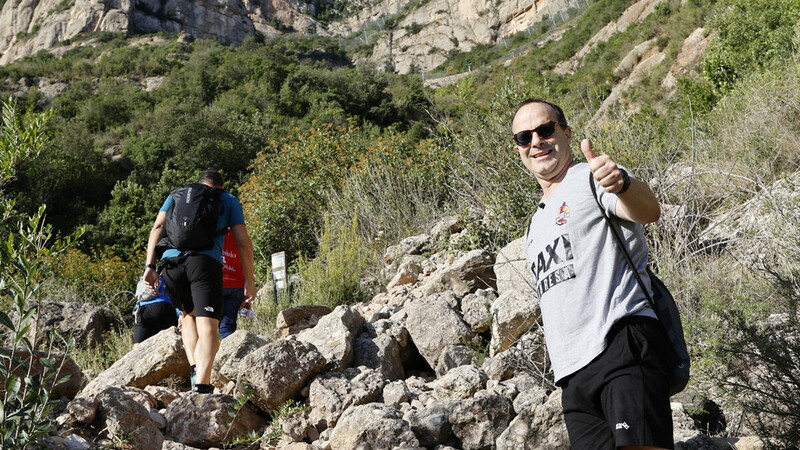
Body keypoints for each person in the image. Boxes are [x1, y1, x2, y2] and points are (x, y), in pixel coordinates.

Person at [512, 99, 672, 449]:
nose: (536, 141)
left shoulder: (590, 176)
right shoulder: (534, 225)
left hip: (621, 344)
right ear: (519, 149)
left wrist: (622, 184)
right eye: (524, 137)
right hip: (572, 377)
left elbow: (649, 210)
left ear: (566, 133)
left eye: (545, 130)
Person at [143, 170, 256, 394]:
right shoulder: (227, 199)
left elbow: (157, 227)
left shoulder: (176, 195)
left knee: (187, 316)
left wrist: (149, 266)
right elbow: (243, 243)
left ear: (199, 185)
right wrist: (249, 281)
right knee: (209, 326)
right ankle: (202, 388)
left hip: (170, 264)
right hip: (204, 264)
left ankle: (196, 369)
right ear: (221, 187)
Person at [219, 231, 253, 339]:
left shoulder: (213, 229)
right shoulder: (239, 232)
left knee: (207, 327)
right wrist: (247, 290)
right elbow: (245, 257)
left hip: (214, 283)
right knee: (227, 328)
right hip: (236, 285)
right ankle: (229, 353)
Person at [132, 276, 178, 347]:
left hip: (143, 310)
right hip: (163, 307)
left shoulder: (143, 279)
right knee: (172, 338)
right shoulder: (166, 276)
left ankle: (135, 357)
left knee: (137, 344)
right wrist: (180, 313)